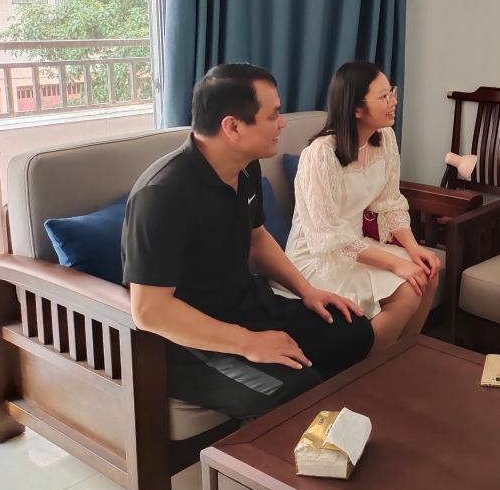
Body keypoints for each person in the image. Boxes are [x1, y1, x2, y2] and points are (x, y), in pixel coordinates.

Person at [123, 63, 373, 420]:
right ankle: (285, 443)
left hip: (248, 306)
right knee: (295, 390)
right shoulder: (162, 196)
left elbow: (256, 239)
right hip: (190, 343)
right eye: (273, 115)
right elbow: (150, 310)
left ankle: (330, 425)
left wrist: (307, 291)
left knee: (353, 331)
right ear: (233, 127)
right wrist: (247, 342)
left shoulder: (246, 166)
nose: (282, 123)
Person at [280, 61, 443, 353]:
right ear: (356, 108)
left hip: (355, 246)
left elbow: (390, 203)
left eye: (392, 93)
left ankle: (402, 358)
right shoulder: (320, 155)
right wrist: (396, 263)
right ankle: (366, 370)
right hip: (318, 256)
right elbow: (328, 235)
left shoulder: (385, 139)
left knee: (427, 272)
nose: (393, 102)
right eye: (383, 97)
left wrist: (413, 248)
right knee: (407, 292)